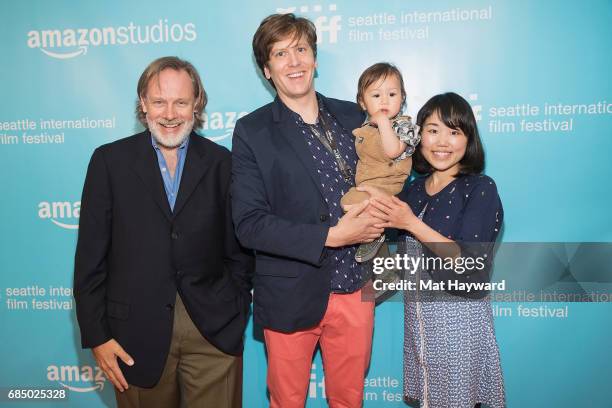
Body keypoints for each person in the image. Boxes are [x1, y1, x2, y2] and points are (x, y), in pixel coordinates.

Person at [73, 56, 253, 408]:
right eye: (159, 102)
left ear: (197, 104)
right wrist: (97, 336)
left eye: (181, 102)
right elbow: (90, 259)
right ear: (143, 103)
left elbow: (240, 250)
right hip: (133, 336)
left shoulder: (222, 163)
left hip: (213, 332)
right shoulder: (109, 162)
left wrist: (234, 308)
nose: (169, 114)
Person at [231, 13, 382, 408]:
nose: (293, 62)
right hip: (289, 293)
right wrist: (331, 237)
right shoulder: (252, 131)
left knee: (349, 400)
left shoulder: (354, 115)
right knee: (287, 401)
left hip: (355, 286)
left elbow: (385, 177)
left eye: (300, 49)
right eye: (280, 54)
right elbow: (249, 225)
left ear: (314, 58)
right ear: (267, 69)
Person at [365, 92, 506, 407]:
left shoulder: (480, 188)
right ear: (419, 137)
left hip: (459, 321)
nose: (443, 142)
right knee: (428, 398)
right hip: (418, 320)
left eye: (454, 131)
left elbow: (469, 262)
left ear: (468, 139)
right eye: (432, 130)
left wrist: (411, 223)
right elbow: (378, 233)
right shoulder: (413, 190)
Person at [340, 62, 420, 263]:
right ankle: (376, 243)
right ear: (363, 102)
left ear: (402, 98)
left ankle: (375, 234)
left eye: (392, 94)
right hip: (367, 183)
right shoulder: (365, 128)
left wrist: (383, 122)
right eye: (376, 96)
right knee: (347, 203)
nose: (384, 100)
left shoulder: (403, 125)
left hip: (389, 184)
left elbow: (393, 151)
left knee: (364, 207)